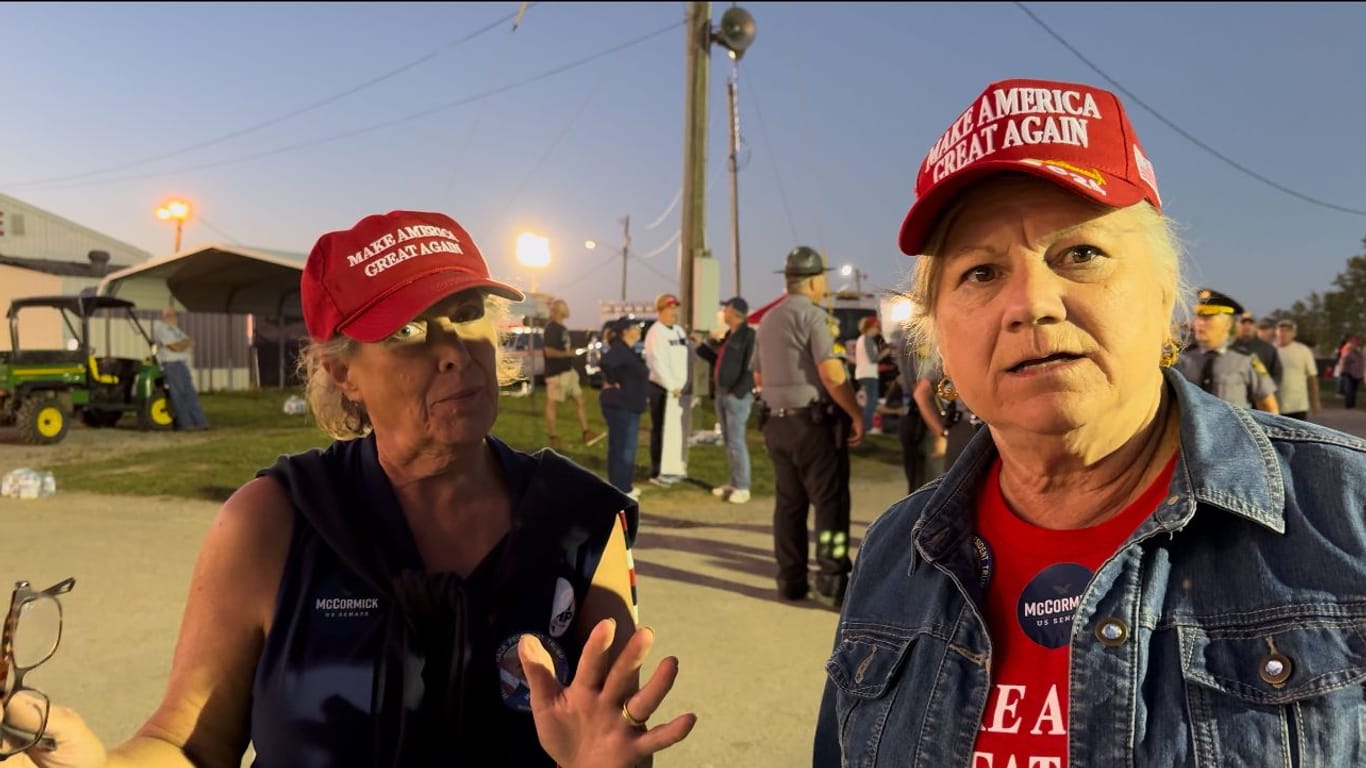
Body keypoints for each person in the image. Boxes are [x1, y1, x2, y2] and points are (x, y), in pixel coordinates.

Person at [814, 77, 1366, 767]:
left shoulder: (1347, 514)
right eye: (981, 273)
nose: (1032, 304)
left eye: (1080, 254)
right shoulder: (899, 550)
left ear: (1167, 296)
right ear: (939, 343)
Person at [11, 211, 694, 767]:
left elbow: (613, 738)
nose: (453, 346)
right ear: (344, 374)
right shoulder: (276, 520)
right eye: (408, 330)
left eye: (466, 311)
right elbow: (190, 745)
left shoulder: (577, 518)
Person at [753, 246, 864, 609]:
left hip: (776, 423)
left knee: (789, 505)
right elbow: (831, 373)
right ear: (814, 280)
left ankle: (791, 579)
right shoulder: (814, 317)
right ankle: (831, 579)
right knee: (830, 505)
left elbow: (757, 374)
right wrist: (856, 413)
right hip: (813, 425)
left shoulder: (768, 320)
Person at [1175, 289, 1279, 413]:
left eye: (1208, 317)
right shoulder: (1182, 360)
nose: (1199, 323)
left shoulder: (1245, 360)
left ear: (1227, 324)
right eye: (1198, 317)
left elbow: (1268, 406)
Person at [695, 296, 757, 504]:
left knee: (737, 442)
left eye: (727, 309)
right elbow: (718, 361)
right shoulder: (730, 335)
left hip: (736, 396)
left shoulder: (748, 335)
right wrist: (701, 347)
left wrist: (737, 391)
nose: (723, 313)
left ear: (736, 311)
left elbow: (751, 365)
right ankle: (734, 482)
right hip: (722, 393)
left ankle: (743, 486)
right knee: (730, 442)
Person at [599, 316, 649, 502]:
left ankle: (620, 485)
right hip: (622, 405)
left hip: (628, 404)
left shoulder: (627, 350)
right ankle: (622, 488)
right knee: (624, 448)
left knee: (620, 447)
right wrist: (613, 381)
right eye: (636, 327)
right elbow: (606, 362)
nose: (639, 330)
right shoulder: (620, 349)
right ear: (626, 331)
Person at [642, 293, 690, 487]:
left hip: (678, 389)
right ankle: (658, 471)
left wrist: (681, 384)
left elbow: (682, 359)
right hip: (661, 388)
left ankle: (673, 467)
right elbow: (656, 362)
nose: (673, 313)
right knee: (660, 430)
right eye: (670, 309)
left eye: (675, 309)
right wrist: (671, 385)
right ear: (660, 311)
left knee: (675, 431)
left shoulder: (679, 331)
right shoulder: (656, 332)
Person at [543, 298, 602, 448]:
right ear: (557, 309)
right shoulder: (551, 328)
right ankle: (553, 437)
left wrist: (569, 354)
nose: (567, 308)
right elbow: (548, 352)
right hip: (556, 374)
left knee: (579, 400)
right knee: (552, 404)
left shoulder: (562, 328)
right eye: (564, 305)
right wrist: (569, 354)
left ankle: (586, 433)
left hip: (568, 371)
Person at [151, 307, 209, 431]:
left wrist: (182, 344)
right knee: (179, 395)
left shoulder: (175, 329)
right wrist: (183, 344)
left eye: (174, 315)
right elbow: (174, 347)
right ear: (165, 316)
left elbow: (191, 341)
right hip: (171, 365)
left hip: (181, 364)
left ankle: (201, 422)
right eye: (171, 315)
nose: (174, 318)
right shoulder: (161, 328)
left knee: (190, 394)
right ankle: (186, 424)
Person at [1273, 319, 1322, 420]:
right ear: (1276, 332)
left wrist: (1315, 401)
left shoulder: (1303, 350)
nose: (1283, 333)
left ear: (1294, 334)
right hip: (1274, 405)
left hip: (1298, 406)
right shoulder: (1270, 350)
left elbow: (1312, 377)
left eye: (1287, 331)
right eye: (1281, 330)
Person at [852, 316, 886, 435]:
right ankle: (866, 427)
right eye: (877, 327)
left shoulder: (861, 339)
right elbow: (873, 359)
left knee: (865, 401)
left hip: (863, 374)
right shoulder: (867, 339)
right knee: (870, 402)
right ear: (871, 327)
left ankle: (862, 426)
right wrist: (886, 352)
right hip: (868, 375)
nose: (878, 330)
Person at [1233, 311, 1283, 387]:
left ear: (1256, 326)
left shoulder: (1268, 349)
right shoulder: (1228, 348)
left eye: (1250, 323)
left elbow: (1277, 375)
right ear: (1237, 325)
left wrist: (1267, 392)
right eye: (1243, 323)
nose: (1247, 326)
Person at [1340, 335, 1364, 408]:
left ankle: (1352, 404)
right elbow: (1344, 361)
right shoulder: (1348, 352)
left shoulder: (1359, 353)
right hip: (1349, 373)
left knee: (1354, 390)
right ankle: (1349, 405)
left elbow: (1362, 362)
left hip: (1357, 374)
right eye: (1354, 341)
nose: (1355, 343)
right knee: (1349, 390)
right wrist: (1344, 371)